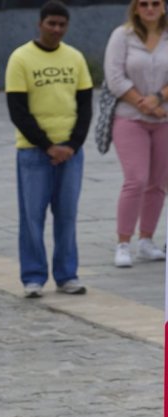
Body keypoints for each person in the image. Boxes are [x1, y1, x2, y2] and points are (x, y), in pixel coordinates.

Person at [5, 1, 93, 299]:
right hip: (33, 152)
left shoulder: (76, 58)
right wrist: (47, 146)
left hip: (70, 152)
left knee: (67, 214)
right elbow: (18, 110)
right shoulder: (20, 58)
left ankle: (67, 274)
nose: (56, 29)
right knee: (32, 216)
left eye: (61, 25)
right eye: (51, 23)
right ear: (39, 24)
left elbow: (84, 107)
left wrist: (71, 145)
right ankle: (33, 276)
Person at [104, 0, 168, 268]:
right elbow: (114, 78)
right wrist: (145, 103)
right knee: (136, 179)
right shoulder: (122, 36)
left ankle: (146, 240)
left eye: (155, 3)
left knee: (157, 182)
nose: (150, 9)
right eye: (144, 4)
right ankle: (123, 243)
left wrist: (158, 99)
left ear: (163, 7)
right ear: (136, 9)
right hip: (130, 117)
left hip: (164, 118)